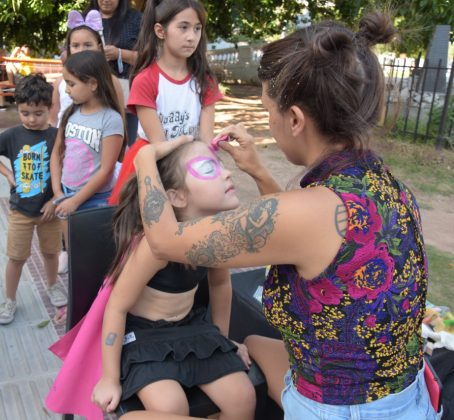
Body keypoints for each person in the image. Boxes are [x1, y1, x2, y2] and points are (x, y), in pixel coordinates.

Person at [132, 12, 440, 420]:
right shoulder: (387, 185)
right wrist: (258, 171)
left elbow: (164, 240)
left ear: (294, 119)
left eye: (268, 110)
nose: (269, 122)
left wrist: (144, 162)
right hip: (404, 397)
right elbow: (300, 232)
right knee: (256, 342)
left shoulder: (311, 211)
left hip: (341, 412)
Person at [46, 140, 255, 419]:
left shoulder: (217, 236)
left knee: (243, 398)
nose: (227, 173)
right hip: (144, 337)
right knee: (170, 408)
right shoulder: (155, 247)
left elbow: (220, 285)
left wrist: (223, 340)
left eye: (220, 165)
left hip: (191, 328)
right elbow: (117, 307)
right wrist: (109, 378)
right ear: (176, 197)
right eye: (208, 168)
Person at [108, 0, 222, 205]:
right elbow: (159, 144)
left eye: (197, 29)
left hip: (191, 161)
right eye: (183, 27)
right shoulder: (145, 80)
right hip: (153, 162)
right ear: (160, 31)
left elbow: (206, 140)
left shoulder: (205, 79)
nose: (192, 36)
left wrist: (205, 164)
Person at [0, 73, 66, 325]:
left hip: (49, 212)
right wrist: (8, 173)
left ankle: (53, 285)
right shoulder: (12, 135)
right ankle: (10, 299)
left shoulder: (57, 136)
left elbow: (65, 169)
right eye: (25, 113)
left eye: (38, 113)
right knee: (16, 257)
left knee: (51, 253)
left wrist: (55, 201)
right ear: (17, 108)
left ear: (50, 108)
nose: (31, 119)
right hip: (20, 211)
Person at [50, 50, 126, 234]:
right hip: (66, 194)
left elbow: (106, 170)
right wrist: (58, 192)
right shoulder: (70, 113)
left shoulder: (111, 119)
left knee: (90, 248)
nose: (67, 90)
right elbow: (57, 153)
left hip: (95, 201)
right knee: (71, 247)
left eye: (71, 84)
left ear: (92, 84)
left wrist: (75, 201)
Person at [50, 10, 125, 128]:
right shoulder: (59, 83)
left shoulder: (111, 81)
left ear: (99, 47)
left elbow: (120, 123)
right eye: (75, 45)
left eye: (88, 45)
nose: (81, 50)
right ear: (69, 48)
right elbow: (52, 121)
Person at [86, 0, 142, 146]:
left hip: (125, 93)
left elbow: (149, 58)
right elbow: (68, 54)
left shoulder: (135, 19)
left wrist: (119, 53)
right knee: (93, 143)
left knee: (124, 142)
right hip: (91, 92)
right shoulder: (85, 18)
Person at [0, 45, 32, 110]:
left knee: (9, 64)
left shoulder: (26, 58)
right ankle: (1, 105)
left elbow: (10, 60)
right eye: (21, 50)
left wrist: (15, 51)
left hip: (24, 79)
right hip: (19, 78)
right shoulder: (20, 58)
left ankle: (11, 83)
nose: (21, 51)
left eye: (23, 50)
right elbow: (10, 61)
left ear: (29, 51)